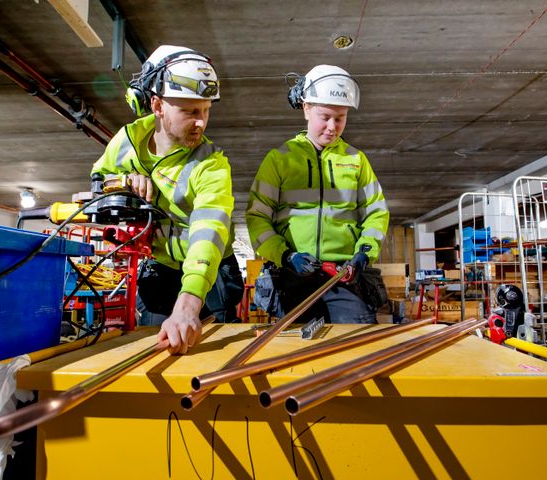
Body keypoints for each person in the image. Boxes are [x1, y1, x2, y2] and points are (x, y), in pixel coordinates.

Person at [91, 45, 243, 353]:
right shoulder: (126, 142)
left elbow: (209, 231)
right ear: (158, 105)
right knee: (151, 350)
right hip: (160, 268)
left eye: (206, 110)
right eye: (190, 111)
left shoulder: (212, 164)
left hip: (209, 275)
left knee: (214, 354)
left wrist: (189, 304)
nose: (201, 122)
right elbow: (98, 183)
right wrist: (122, 184)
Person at [246, 64, 389, 324]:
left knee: (356, 347)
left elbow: (376, 214)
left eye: (341, 117)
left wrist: (363, 253)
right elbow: (257, 217)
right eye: (325, 116)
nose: (333, 127)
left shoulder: (356, 160)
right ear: (306, 108)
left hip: (344, 277)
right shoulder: (279, 160)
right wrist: (285, 255)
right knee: (292, 358)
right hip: (292, 277)